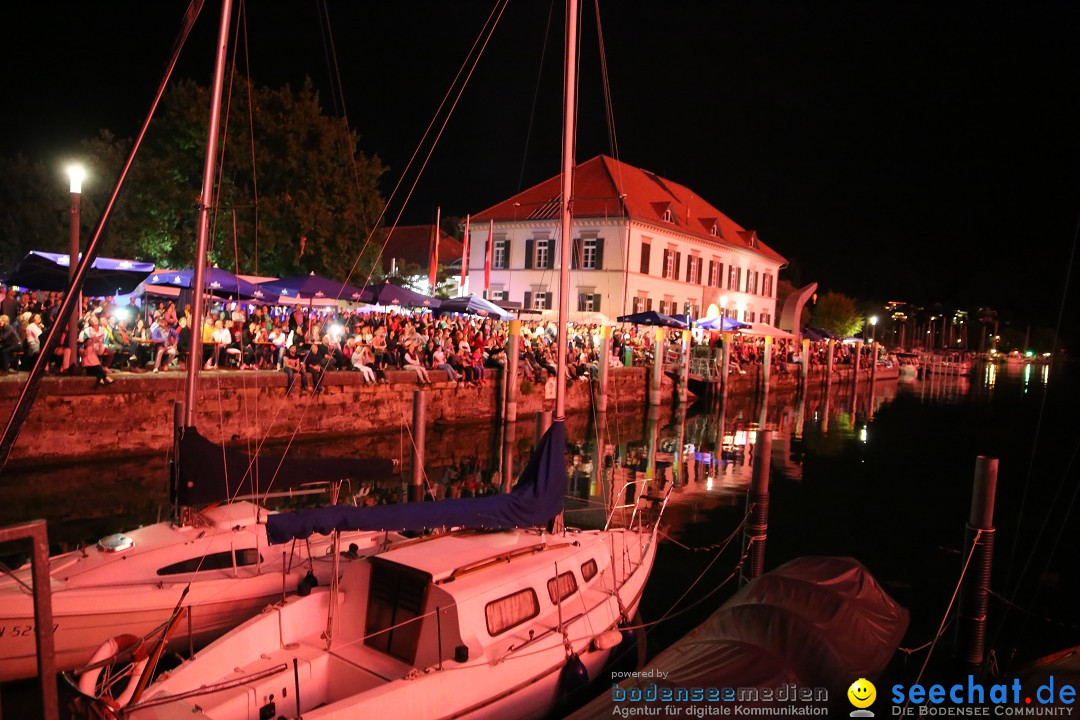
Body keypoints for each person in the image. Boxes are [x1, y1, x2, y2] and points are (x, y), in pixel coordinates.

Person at [79, 315, 113, 386]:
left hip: (100, 347)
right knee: (97, 369)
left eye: (96, 319)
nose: (95, 320)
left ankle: (104, 372)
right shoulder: (87, 331)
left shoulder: (103, 330)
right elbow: (86, 344)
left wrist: (102, 345)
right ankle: (104, 378)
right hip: (90, 355)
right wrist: (92, 341)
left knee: (110, 352)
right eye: (93, 320)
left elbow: (105, 341)